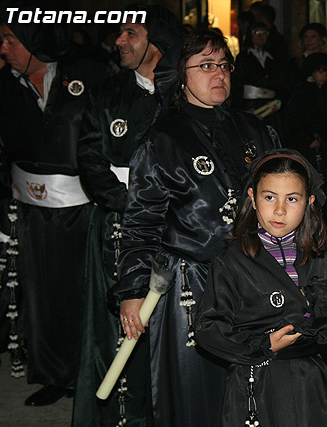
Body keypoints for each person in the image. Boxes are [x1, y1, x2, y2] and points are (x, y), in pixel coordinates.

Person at [109, 29, 279, 427]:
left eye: (224, 65)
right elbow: (142, 223)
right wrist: (132, 291)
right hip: (192, 286)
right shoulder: (163, 139)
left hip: (252, 278)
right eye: (205, 65)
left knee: (254, 390)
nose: (218, 73)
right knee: (195, 396)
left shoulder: (253, 130)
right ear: (180, 76)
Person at [73, 5, 186, 426]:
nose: (119, 42)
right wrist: (132, 205)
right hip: (117, 230)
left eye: (130, 33)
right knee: (116, 332)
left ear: (155, 40)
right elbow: (90, 157)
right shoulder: (107, 92)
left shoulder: (183, 95)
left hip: (176, 233)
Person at [0, 11, 105, 405]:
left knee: (83, 292)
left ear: (36, 38)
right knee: (40, 294)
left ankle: (89, 371)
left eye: (11, 39)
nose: (4, 49)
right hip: (30, 213)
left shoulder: (89, 74)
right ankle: (55, 374)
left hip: (83, 209)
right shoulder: (5, 86)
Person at [195, 149, 327, 427]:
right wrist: (261, 345)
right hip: (254, 378)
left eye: (292, 199)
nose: (280, 210)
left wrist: (316, 314)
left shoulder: (324, 255)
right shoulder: (233, 259)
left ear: (309, 202)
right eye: (269, 197)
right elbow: (208, 328)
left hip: (308, 379)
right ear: (252, 196)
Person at [285, 52, 327, 178]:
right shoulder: (302, 92)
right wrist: (308, 138)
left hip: (325, 142)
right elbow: (295, 119)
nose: (324, 76)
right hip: (307, 143)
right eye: (321, 72)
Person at [287, 22, 327, 88]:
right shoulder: (295, 62)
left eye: (313, 36)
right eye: (306, 37)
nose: (309, 40)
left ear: (321, 39)